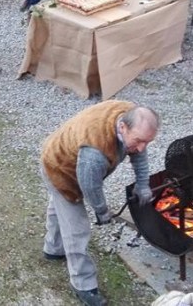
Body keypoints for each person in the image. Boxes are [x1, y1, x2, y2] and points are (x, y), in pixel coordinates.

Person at [41, 101, 158, 306]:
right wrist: (102, 212)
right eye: (139, 141)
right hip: (59, 169)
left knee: (59, 208)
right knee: (76, 228)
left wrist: (142, 184)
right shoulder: (95, 151)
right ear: (123, 127)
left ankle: (53, 248)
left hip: (69, 156)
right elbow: (90, 187)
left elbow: (138, 153)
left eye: (147, 142)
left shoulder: (130, 116)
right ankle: (83, 283)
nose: (142, 147)